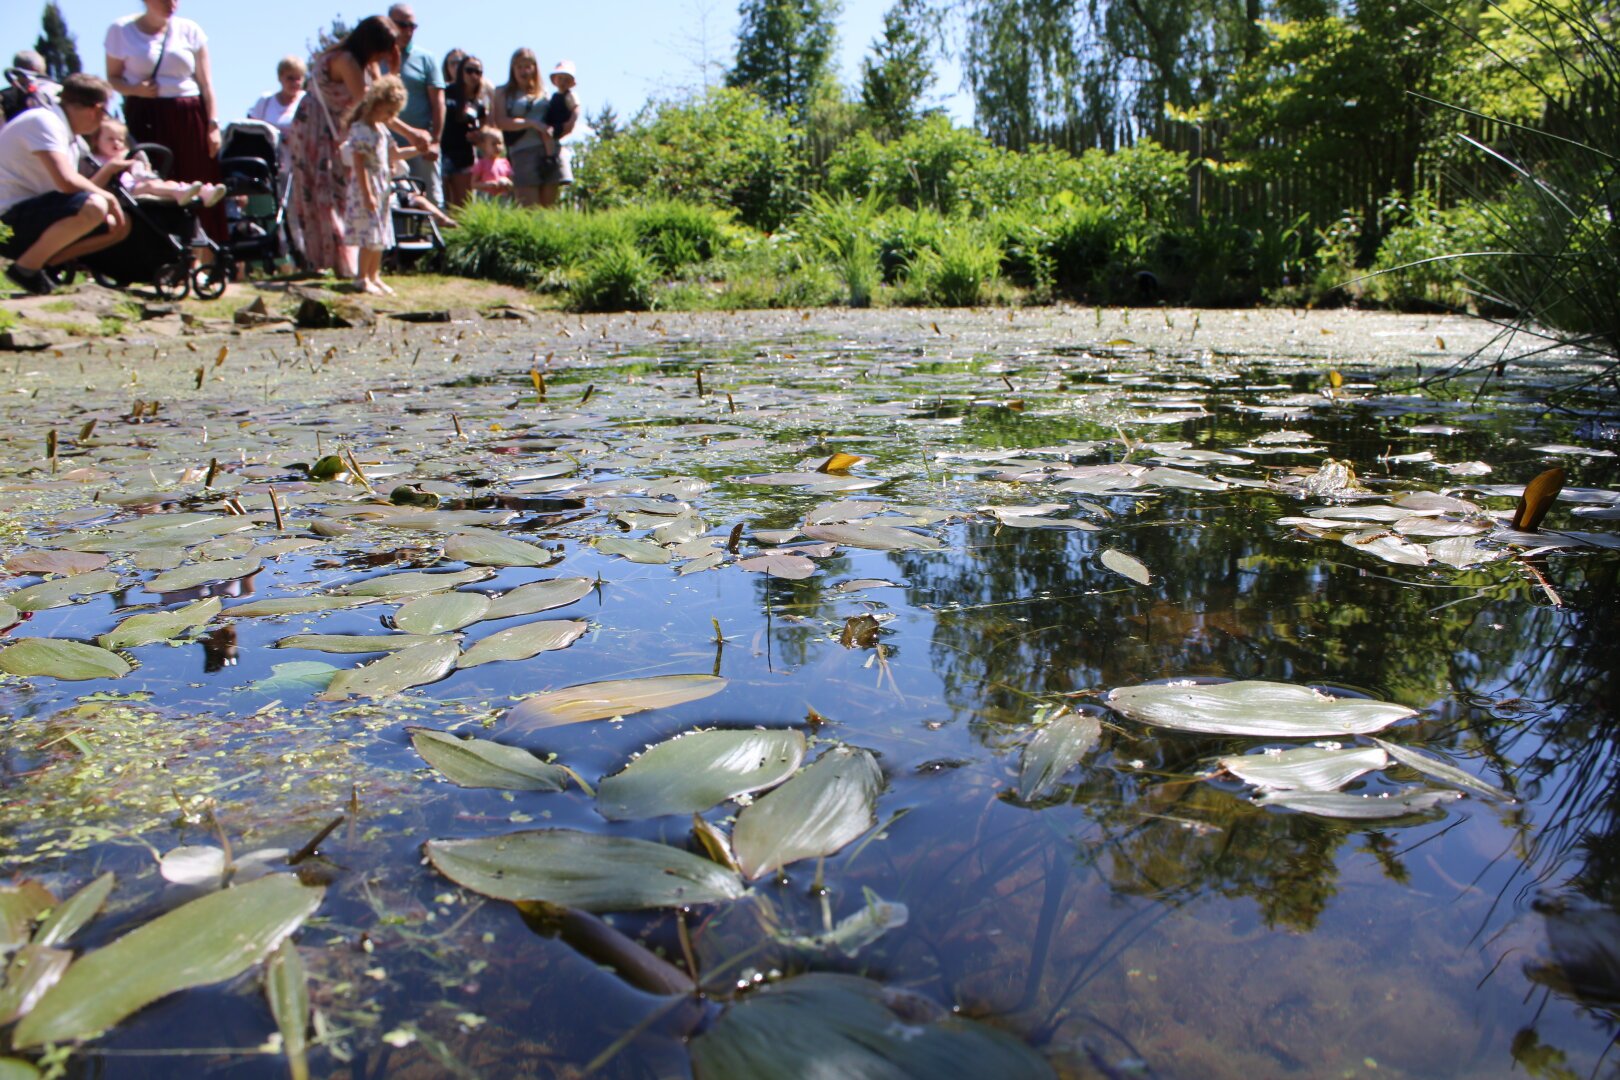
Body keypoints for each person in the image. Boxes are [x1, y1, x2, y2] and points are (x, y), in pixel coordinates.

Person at [286, 15, 425, 277]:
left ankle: (348, 263)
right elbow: (369, 107)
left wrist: (392, 71)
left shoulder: (365, 64)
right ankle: (332, 261)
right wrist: (412, 133)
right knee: (325, 193)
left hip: (339, 131)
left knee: (342, 194)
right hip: (317, 129)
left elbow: (382, 101)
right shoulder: (346, 61)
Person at [103, 0, 225, 239]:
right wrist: (135, 89)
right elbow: (113, 79)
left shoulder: (190, 29)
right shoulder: (121, 31)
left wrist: (213, 125)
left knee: (199, 180)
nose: (172, 4)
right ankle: (165, 249)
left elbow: (206, 83)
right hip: (146, 115)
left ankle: (207, 250)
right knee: (156, 178)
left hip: (190, 115)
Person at [0, 74, 131, 294]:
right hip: (6, 222)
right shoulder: (44, 122)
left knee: (117, 224)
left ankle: (44, 266)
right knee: (96, 206)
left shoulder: (69, 136)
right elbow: (67, 182)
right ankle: (26, 269)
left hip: (29, 216)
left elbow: (77, 191)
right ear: (97, 109)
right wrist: (108, 198)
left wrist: (107, 184)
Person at [343, 75, 415, 296]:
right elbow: (360, 163)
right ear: (376, 104)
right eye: (389, 111)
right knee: (369, 233)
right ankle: (361, 277)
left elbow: (394, 154)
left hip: (382, 187)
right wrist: (367, 194)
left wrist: (420, 150)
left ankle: (374, 275)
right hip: (367, 187)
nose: (391, 117)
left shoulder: (381, 129)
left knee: (380, 233)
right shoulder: (361, 129)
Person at [86, 117, 225, 206]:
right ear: (96, 140)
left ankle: (203, 193)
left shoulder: (128, 154)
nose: (116, 143)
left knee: (168, 183)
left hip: (138, 181)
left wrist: (140, 162)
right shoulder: (96, 159)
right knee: (150, 185)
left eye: (120, 140)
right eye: (110, 139)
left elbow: (141, 168)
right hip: (126, 189)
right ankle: (179, 192)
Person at [383, 4, 443, 208]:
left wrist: (435, 140)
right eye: (402, 25)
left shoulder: (425, 59)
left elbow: (438, 103)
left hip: (421, 144)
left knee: (430, 198)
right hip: (387, 143)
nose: (408, 31)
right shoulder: (376, 59)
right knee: (392, 201)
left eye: (412, 26)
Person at [492, 48, 546, 208]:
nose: (524, 71)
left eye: (528, 66)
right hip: (522, 152)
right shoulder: (502, 92)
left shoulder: (544, 93)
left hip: (548, 152)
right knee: (529, 208)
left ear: (535, 68)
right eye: (519, 66)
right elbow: (501, 122)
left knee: (548, 209)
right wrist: (531, 123)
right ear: (512, 68)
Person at [441, 56, 486, 208]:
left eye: (478, 72)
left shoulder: (479, 103)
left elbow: (483, 129)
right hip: (443, 153)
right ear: (461, 71)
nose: (474, 75)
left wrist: (478, 136)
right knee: (443, 203)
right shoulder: (446, 92)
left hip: (464, 157)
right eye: (469, 70)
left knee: (462, 207)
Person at [537, 60, 580, 209]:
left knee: (547, 135)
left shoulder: (570, 96)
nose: (563, 82)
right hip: (552, 121)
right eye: (560, 78)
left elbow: (576, 109)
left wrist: (571, 122)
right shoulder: (553, 96)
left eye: (566, 79)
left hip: (560, 123)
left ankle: (550, 158)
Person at [246, 56, 307, 140]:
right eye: (290, 78)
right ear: (280, 77)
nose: (294, 83)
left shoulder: (307, 102)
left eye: (298, 78)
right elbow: (250, 131)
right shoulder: (265, 101)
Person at [469, 127, 512, 198]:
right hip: (486, 198)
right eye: (493, 144)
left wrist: (507, 182)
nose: (497, 147)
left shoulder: (505, 163)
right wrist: (487, 185)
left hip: (503, 199)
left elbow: (511, 183)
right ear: (484, 146)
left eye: (500, 143)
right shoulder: (481, 164)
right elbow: (473, 184)